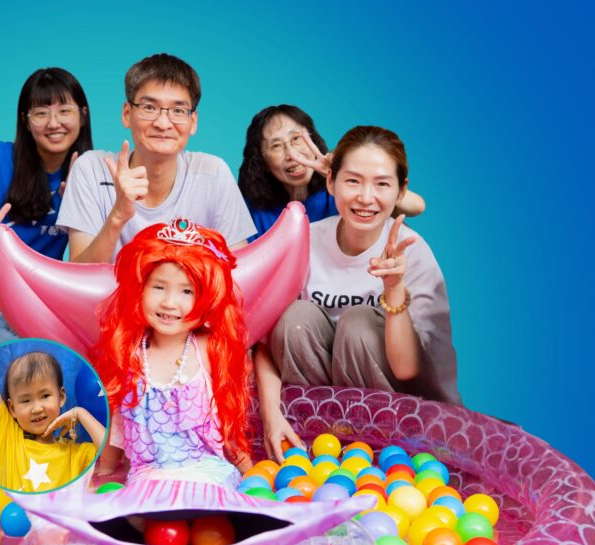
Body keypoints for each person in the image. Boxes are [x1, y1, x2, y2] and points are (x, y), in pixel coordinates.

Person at [255, 126, 459, 461]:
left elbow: (411, 370)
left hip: (399, 417)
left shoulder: (413, 252)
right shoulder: (303, 240)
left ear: (399, 191)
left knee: (359, 324)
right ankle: (313, 443)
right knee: (295, 318)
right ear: (331, 183)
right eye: (353, 181)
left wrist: (394, 290)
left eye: (381, 184)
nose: (366, 197)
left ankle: (377, 452)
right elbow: (264, 345)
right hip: (318, 419)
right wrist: (271, 417)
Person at [91, 218, 252, 488]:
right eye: (158, 287)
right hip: (148, 479)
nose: (169, 302)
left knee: (208, 511)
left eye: (187, 291)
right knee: (139, 518)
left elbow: (228, 424)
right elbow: (117, 426)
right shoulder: (130, 354)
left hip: (207, 473)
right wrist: (104, 475)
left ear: (207, 298)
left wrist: (255, 477)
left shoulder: (207, 349)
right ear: (139, 289)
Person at [58, 53, 255, 263]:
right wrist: (118, 216)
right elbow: (79, 274)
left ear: (193, 121)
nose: (163, 123)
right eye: (149, 108)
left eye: (178, 110)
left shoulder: (213, 174)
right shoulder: (91, 169)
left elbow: (239, 272)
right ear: (127, 114)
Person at [0, 68, 92, 348]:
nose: (53, 123)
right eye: (41, 112)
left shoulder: (91, 179)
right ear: (25, 121)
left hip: (40, 313)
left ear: (82, 115)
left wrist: (83, 204)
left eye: (64, 110)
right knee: (30, 366)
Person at [238, 105, 425, 242]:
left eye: (296, 139)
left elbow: (416, 206)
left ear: (313, 140)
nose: (292, 155)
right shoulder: (250, 208)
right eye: (276, 146)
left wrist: (338, 172)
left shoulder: (340, 189)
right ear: (262, 161)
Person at [0, 351, 105, 491]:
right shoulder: (8, 440)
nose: (36, 408)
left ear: (61, 397)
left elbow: (110, 454)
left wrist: (79, 413)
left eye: (45, 396)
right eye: (26, 400)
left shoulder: (76, 453)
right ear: (12, 408)